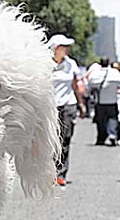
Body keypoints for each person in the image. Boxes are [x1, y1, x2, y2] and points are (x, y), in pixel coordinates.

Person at [48, 34, 86, 186]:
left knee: (65, 139)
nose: (67, 50)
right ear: (55, 48)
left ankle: (61, 173)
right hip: (50, 106)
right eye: (63, 47)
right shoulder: (44, 64)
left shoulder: (71, 64)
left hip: (68, 104)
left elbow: (75, 85)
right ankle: (48, 171)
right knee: (50, 140)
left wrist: (81, 103)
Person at [88, 57, 120, 146]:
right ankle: (112, 134)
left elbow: (89, 85)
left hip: (100, 102)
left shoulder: (95, 74)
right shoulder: (115, 73)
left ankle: (101, 138)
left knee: (101, 122)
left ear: (100, 64)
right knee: (113, 119)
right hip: (112, 101)